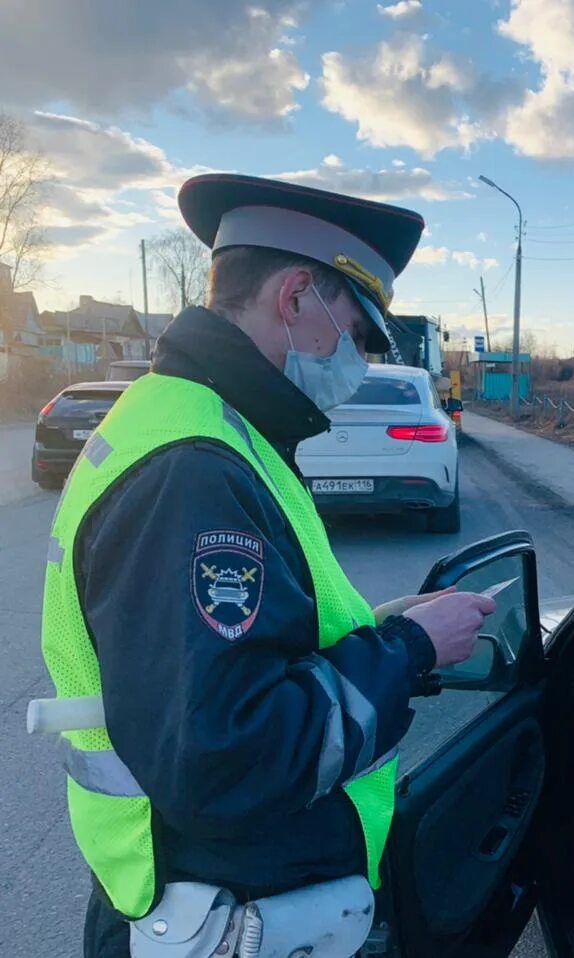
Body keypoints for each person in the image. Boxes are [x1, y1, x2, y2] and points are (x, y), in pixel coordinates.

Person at [38, 173, 496, 957]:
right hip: (226, 920)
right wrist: (413, 650)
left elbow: (248, 657)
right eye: (356, 331)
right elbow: (231, 755)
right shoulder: (194, 469)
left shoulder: (206, 424)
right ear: (294, 299)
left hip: (221, 901)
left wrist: (384, 631)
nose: (357, 359)